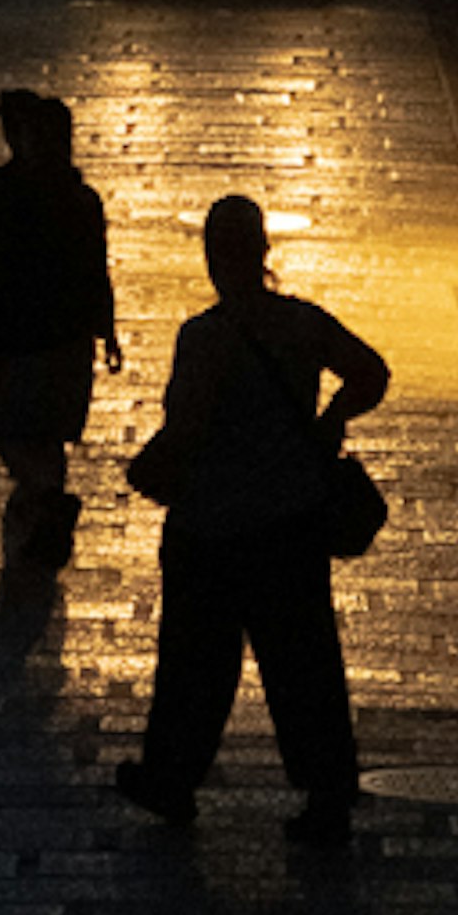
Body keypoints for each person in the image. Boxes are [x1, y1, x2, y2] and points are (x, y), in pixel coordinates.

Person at [118, 192, 390, 841]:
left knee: (194, 665)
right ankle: (327, 792)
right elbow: (369, 372)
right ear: (264, 250)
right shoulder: (300, 324)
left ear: (212, 258)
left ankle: (172, 779)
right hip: (290, 520)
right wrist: (328, 422)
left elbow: (184, 428)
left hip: (210, 527)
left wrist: (149, 470)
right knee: (303, 664)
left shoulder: (204, 338)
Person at [0, 85, 120, 573]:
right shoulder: (81, 199)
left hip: (14, 333)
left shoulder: (5, 189)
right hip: (65, 338)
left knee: (12, 426)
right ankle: (46, 506)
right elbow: (96, 269)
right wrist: (108, 330)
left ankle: (46, 499)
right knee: (46, 432)